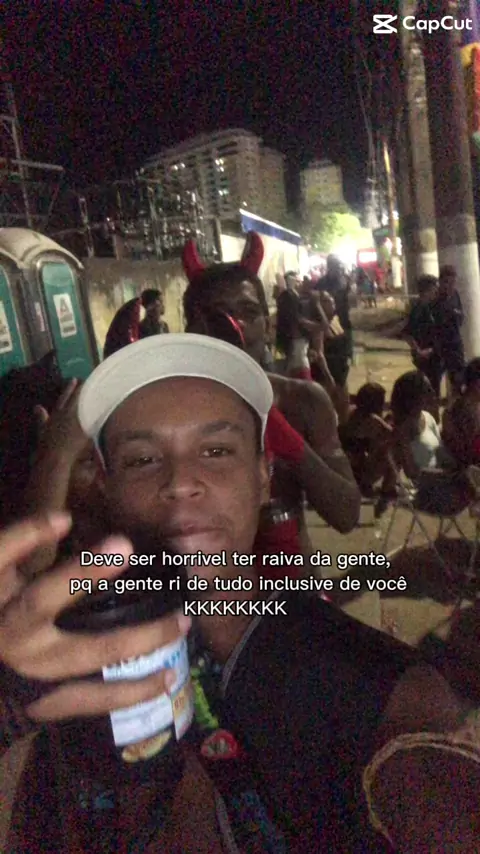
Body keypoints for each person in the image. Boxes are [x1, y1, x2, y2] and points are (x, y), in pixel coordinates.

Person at [1, 335, 479, 852]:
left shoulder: (378, 684)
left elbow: (429, 783)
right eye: (142, 459)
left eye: (216, 451)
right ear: (105, 485)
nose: (181, 481)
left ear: (264, 475)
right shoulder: (56, 665)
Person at [181, 232, 361, 571]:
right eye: (217, 315)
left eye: (249, 312)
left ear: (267, 323)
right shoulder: (170, 411)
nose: (236, 325)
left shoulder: (303, 400)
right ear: (192, 329)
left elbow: (346, 513)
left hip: (294, 587)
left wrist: (281, 433)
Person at [390, 370, 470, 516]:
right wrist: (443, 474)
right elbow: (411, 472)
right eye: (427, 389)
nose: (432, 392)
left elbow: (441, 453)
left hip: (447, 481)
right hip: (429, 493)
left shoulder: (427, 417)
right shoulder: (402, 431)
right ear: (414, 396)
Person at [339, 382, 396, 503]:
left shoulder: (352, 412)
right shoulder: (371, 420)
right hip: (356, 474)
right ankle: (387, 490)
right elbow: (393, 434)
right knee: (391, 448)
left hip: (343, 469)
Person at [402, 275, 442, 403]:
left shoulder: (432, 307)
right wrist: (419, 351)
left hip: (432, 355)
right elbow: (407, 333)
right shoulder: (419, 309)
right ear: (427, 290)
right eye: (434, 288)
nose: (436, 291)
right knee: (430, 390)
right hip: (426, 357)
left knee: (433, 388)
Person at [432, 265, 465, 397]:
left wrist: (456, 315)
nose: (449, 286)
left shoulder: (455, 295)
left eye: (452, 282)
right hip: (439, 346)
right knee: (435, 382)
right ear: (440, 282)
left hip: (455, 344)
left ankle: (456, 404)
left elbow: (461, 317)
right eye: (446, 282)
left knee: (458, 380)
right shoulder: (434, 299)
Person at [443, 357, 480, 467]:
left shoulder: (471, 405)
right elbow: (465, 452)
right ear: (476, 383)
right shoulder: (460, 410)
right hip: (469, 469)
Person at [316, 254, 353, 361]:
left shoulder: (344, 281)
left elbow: (348, 298)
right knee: (331, 348)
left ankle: (346, 357)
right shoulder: (322, 283)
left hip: (343, 318)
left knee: (343, 346)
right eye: (335, 266)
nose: (338, 269)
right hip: (328, 320)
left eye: (338, 266)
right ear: (329, 267)